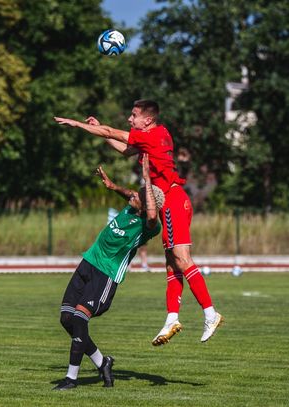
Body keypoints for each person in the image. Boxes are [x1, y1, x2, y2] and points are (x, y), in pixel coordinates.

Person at [54, 100, 224, 346]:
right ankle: (172, 318)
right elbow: (124, 149)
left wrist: (78, 125)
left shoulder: (151, 136)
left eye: (134, 115)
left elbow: (112, 132)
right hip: (170, 201)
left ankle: (210, 313)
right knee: (172, 264)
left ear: (148, 120)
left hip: (173, 200)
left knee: (182, 258)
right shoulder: (154, 136)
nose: (129, 119)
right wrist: (101, 130)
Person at [53, 154, 164, 390]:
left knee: (80, 318)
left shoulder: (149, 226)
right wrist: (112, 186)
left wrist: (147, 177)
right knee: (67, 319)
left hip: (106, 275)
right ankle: (103, 363)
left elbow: (153, 214)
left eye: (138, 196)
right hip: (88, 263)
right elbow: (130, 194)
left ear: (147, 206)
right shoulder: (131, 207)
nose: (133, 196)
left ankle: (71, 379)